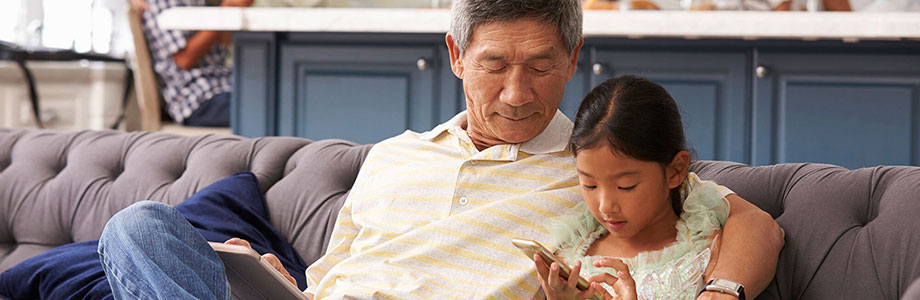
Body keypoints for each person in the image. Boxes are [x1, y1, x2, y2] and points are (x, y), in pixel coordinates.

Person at [98, 0, 784, 299]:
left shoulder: (600, 169)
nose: (518, 93)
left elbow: (757, 224)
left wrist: (720, 294)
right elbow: (333, 276)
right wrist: (272, 279)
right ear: (456, 56)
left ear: (573, 59)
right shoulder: (393, 157)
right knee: (137, 229)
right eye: (495, 66)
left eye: (541, 65)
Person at [534, 75, 746, 300]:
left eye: (626, 186)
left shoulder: (704, 251)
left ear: (675, 171)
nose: (606, 206)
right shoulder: (572, 252)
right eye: (590, 185)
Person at [133, 0, 250, 127]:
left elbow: (221, 44)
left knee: (268, 101)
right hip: (197, 100)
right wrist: (223, 13)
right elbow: (184, 59)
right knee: (264, 109)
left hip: (225, 88)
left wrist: (231, 13)